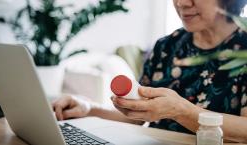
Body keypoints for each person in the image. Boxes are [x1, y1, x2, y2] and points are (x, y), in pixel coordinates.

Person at [53, 0, 247, 143]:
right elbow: (138, 115)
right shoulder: (166, 46)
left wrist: (182, 111)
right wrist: (88, 108)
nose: (181, 3)